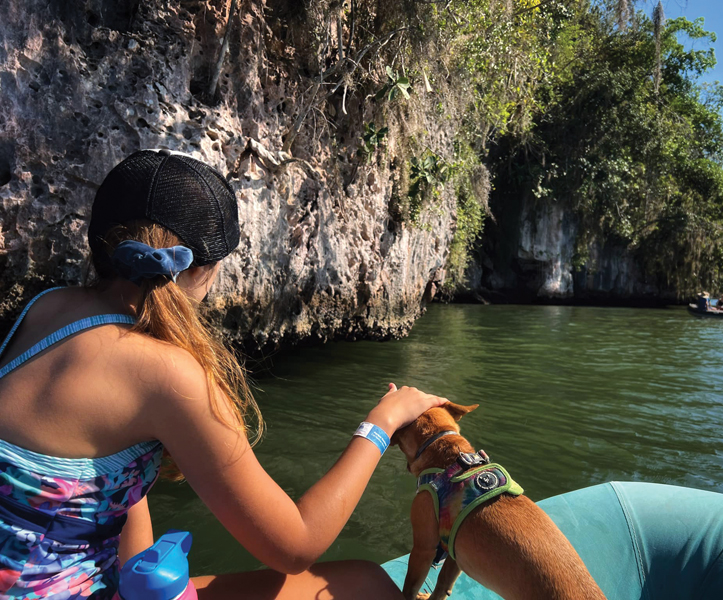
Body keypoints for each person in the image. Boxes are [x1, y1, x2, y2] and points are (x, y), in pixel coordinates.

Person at [0, 149, 447, 599]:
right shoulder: (166, 373)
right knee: (365, 585)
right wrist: (382, 423)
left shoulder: (43, 309)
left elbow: (113, 489)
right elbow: (296, 545)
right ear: (204, 269)